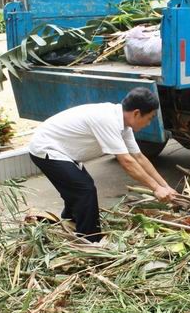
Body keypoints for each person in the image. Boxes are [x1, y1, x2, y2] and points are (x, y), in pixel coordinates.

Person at [29, 87, 178, 243]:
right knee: (84, 190)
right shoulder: (108, 120)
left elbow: (139, 158)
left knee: (78, 188)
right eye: (149, 118)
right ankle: (90, 240)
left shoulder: (124, 124)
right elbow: (127, 162)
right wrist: (156, 188)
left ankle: (70, 221)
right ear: (136, 113)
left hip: (63, 151)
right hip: (46, 148)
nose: (148, 123)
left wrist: (165, 186)